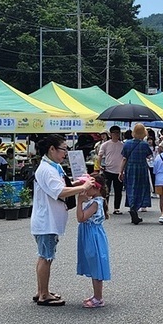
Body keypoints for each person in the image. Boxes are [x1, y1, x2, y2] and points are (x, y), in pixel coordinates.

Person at [31, 135, 93, 307]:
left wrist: (78, 183)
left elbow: (62, 186)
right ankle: (44, 294)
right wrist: (83, 187)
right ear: (52, 149)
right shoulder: (47, 169)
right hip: (47, 220)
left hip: (49, 219)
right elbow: (59, 191)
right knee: (46, 257)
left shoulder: (53, 166)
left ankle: (42, 291)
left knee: (45, 256)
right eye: (63, 149)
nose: (65, 153)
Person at [75, 174, 111, 308]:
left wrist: (79, 202)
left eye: (88, 187)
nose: (84, 189)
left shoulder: (95, 203)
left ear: (96, 188)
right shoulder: (96, 201)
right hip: (92, 233)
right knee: (93, 262)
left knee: (95, 263)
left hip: (92, 235)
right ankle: (96, 295)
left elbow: (81, 218)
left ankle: (98, 297)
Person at [121, 123, 153, 225]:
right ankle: (137, 207)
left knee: (131, 187)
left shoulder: (127, 144)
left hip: (130, 168)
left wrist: (120, 171)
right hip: (142, 168)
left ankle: (132, 206)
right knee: (141, 188)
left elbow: (124, 159)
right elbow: (149, 156)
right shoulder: (144, 145)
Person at [98, 126, 125, 215]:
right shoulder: (105, 144)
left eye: (118, 132)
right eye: (115, 132)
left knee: (118, 191)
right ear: (110, 134)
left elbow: (125, 158)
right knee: (106, 190)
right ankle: (105, 208)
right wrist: (99, 165)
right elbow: (100, 156)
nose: (116, 134)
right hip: (108, 170)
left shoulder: (122, 145)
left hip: (119, 171)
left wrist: (123, 169)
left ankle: (116, 208)